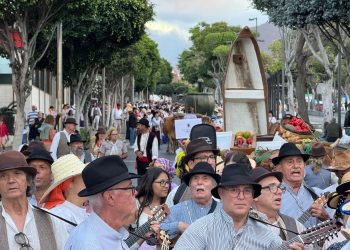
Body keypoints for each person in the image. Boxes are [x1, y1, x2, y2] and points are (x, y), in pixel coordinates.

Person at [174, 163, 302, 250]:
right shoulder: (201, 229)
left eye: (247, 191)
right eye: (234, 190)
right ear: (221, 193)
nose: (241, 196)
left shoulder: (265, 233)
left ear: (253, 196)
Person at [64, 155, 140, 249]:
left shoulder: (109, 230)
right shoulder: (90, 245)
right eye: (130, 187)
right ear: (110, 197)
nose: (135, 192)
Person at [0, 151, 68, 249]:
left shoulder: (51, 220)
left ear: (28, 180)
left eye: (17, 173)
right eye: (3, 176)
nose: (11, 180)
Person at [273, 142, 329, 228]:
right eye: (290, 162)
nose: (296, 166)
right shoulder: (274, 197)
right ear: (279, 168)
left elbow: (336, 227)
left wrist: (326, 218)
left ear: (304, 166)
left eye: (299, 162)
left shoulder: (316, 193)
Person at [161, 162, 221, 239]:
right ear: (190, 185)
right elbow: (154, 235)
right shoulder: (177, 210)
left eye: (205, 178)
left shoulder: (224, 210)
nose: (199, 182)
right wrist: (177, 226)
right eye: (195, 178)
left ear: (213, 185)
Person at [251, 167, 306, 241]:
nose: (279, 191)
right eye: (272, 187)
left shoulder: (293, 224)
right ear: (255, 195)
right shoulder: (241, 226)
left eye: (279, 187)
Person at [39, 154, 89, 234]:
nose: (89, 179)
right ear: (70, 183)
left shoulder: (82, 212)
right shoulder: (60, 216)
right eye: (84, 176)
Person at [166, 138, 219, 207]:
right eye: (204, 157)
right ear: (191, 164)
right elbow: (167, 217)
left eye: (212, 157)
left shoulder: (224, 191)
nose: (211, 162)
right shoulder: (176, 194)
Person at [130, 167, 170, 249]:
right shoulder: (136, 203)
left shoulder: (168, 204)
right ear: (150, 183)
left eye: (167, 182)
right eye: (162, 182)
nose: (166, 186)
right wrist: (143, 236)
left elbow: (169, 243)